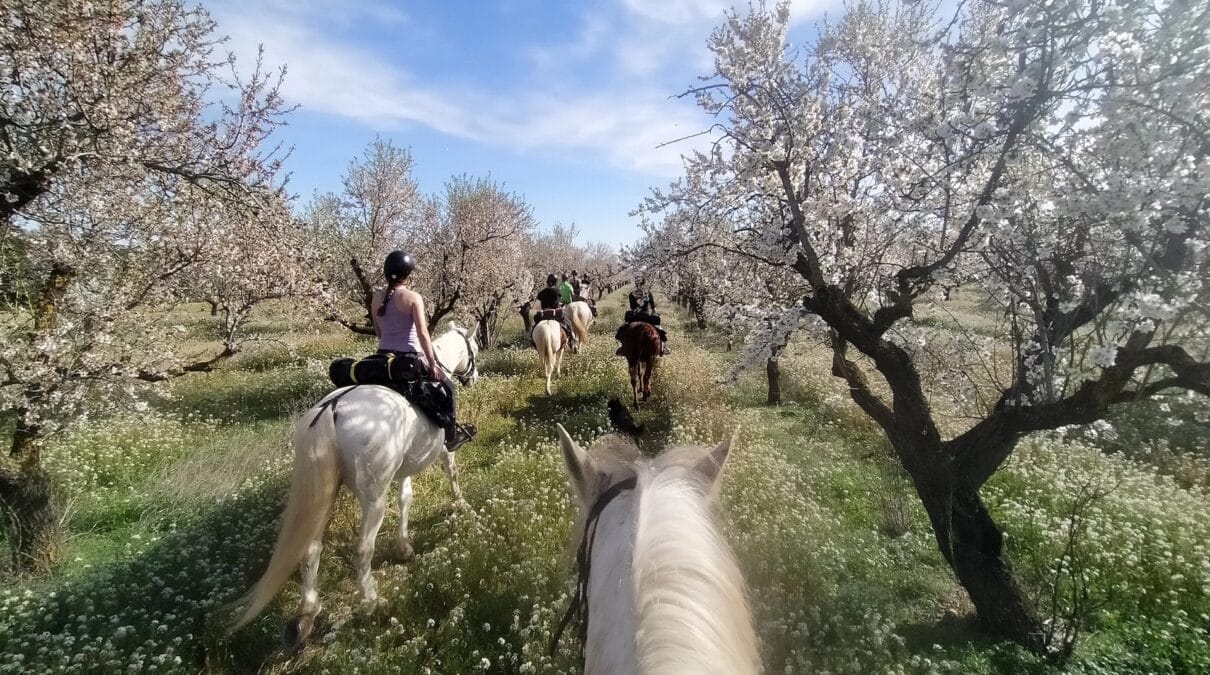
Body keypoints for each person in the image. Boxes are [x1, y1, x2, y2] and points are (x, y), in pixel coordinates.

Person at [372, 250, 475, 451]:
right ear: (407, 275)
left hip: (382, 358)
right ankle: (451, 437)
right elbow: (422, 334)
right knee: (449, 388)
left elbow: (378, 332)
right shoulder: (413, 297)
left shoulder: (376, 298)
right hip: (408, 358)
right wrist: (433, 363)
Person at [618, 278, 670, 355]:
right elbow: (652, 307)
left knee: (623, 328)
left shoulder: (632, 293)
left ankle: (622, 348)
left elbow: (632, 307)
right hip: (646, 315)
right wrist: (655, 313)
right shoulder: (648, 293)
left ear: (636, 284)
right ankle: (663, 347)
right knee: (658, 326)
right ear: (644, 284)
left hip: (634, 316)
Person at [535, 273, 576, 347]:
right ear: (555, 282)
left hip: (544, 313)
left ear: (547, 282)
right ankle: (572, 338)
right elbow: (559, 299)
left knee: (535, 324)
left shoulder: (542, 292)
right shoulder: (557, 290)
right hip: (555, 313)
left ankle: (532, 339)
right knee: (568, 323)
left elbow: (539, 301)